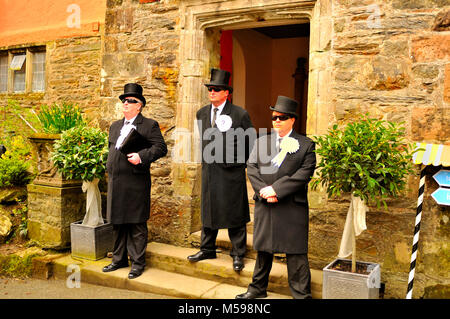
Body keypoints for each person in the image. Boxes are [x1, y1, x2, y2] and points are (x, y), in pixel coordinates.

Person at [236, 95, 316, 299]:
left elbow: (304, 174)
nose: (277, 121)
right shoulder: (262, 141)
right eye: (274, 117)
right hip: (266, 203)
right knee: (263, 249)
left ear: (292, 120)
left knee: (296, 252)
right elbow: (251, 167)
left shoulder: (306, 145)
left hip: (292, 206)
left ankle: (301, 295)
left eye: (282, 117)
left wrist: (277, 190)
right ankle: (257, 289)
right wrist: (264, 190)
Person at [187, 68, 254, 272]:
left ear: (227, 93)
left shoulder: (239, 113)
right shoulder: (202, 113)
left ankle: (238, 253)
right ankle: (207, 248)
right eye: (210, 89)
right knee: (208, 209)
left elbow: (250, 142)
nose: (212, 92)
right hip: (209, 170)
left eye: (217, 89)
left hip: (231, 173)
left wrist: (236, 162)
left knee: (234, 212)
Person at [103, 83, 167, 279]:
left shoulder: (149, 125)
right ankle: (118, 259)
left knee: (136, 224)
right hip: (116, 181)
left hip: (136, 182)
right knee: (117, 222)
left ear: (139, 105)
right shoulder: (115, 126)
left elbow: (161, 148)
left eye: (131, 101)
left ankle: (137, 263)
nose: (126, 103)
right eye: (124, 100)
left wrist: (142, 156)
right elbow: (111, 150)